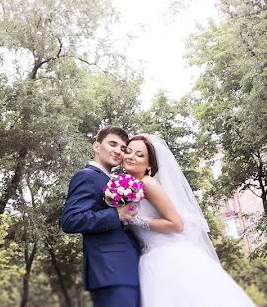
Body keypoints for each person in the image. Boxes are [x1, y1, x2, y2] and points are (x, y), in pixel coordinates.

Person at [122, 134, 255, 306]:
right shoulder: (131, 187)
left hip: (168, 256)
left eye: (139, 154)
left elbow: (176, 224)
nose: (131, 156)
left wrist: (135, 220)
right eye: (129, 151)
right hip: (151, 257)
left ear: (149, 164)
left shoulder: (148, 183)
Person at [61, 125, 141, 307]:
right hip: (111, 269)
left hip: (127, 268)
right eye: (112, 144)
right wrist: (116, 214)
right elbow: (70, 220)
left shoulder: (112, 181)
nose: (118, 151)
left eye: (122, 148)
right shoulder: (87, 176)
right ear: (96, 146)